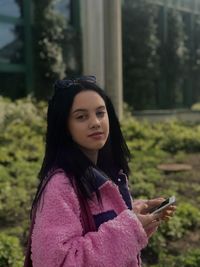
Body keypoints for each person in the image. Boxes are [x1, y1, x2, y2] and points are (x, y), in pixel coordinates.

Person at [25, 76, 175, 267]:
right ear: (64, 126)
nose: (95, 122)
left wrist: (137, 215)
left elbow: (105, 233)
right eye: (81, 117)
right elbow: (56, 262)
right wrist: (130, 228)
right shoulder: (60, 186)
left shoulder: (106, 174)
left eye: (100, 113)